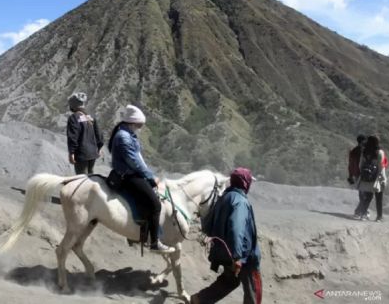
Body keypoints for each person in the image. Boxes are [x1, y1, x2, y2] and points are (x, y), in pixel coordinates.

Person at [108, 104, 175, 254]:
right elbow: (134, 162)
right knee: (155, 205)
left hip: (132, 173)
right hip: (128, 176)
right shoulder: (123, 137)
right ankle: (155, 242)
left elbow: (138, 160)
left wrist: (149, 174)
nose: (141, 127)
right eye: (140, 124)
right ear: (133, 122)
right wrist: (151, 177)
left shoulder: (127, 134)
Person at [191, 167, 262, 304]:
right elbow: (237, 228)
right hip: (244, 256)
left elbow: (207, 223)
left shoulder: (224, 197)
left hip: (226, 253)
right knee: (253, 290)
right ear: (245, 183)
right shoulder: (240, 202)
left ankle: (199, 299)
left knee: (229, 281)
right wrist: (237, 257)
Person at [66, 92, 104, 174]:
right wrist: (99, 147)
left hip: (81, 154)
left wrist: (71, 152)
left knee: (82, 179)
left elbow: (73, 137)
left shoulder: (73, 118)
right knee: (90, 176)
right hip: (93, 153)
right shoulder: (91, 117)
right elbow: (98, 133)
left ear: (73, 105)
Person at [355, 135, 387, 222]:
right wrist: (383, 180)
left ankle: (363, 214)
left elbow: (360, 165)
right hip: (377, 179)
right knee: (379, 198)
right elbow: (381, 167)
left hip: (367, 178)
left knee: (368, 197)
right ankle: (379, 217)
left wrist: (364, 174)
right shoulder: (380, 152)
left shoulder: (364, 151)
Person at [348, 134, 370, 219]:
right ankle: (360, 211)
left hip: (358, 175)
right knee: (364, 194)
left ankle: (362, 210)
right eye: (365, 141)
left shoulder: (354, 151)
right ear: (362, 141)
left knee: (363, 194)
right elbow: (352, 164)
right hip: (362, 175)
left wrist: (350, 175)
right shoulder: (362, 151)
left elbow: (350, 165)